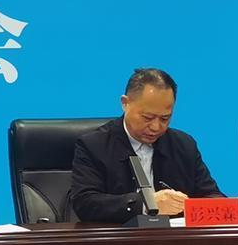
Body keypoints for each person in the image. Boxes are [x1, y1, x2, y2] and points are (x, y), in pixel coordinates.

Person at [69, 68, 224, 223]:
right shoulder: (94, 145)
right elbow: (85, 204)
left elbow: (211, 195)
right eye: (147, 117)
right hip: (120, 235)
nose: (156, 127)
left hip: (175, 236)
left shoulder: (183, 145)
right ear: (125, 103)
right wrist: (146, 204)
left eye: (165, 118)